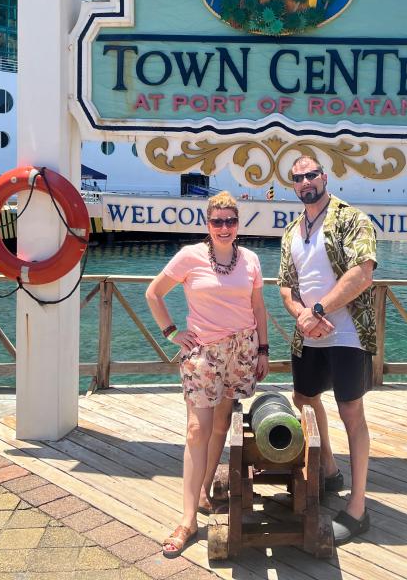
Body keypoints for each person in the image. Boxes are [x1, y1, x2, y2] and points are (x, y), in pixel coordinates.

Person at [145, 191, 269, 558]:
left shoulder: (251, 260)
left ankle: (202, 493)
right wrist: (171, 333)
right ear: (207, 224)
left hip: (242, 349)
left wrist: (263, 349)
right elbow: (154, 294)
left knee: (220, 425)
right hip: (202, 354)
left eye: (231, 221)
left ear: (238, 223)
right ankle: (187, 520)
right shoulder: (190, 257)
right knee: (196, 429)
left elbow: (258, 307)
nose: (225, 227)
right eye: (218, 222)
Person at [277, 155, 377, 545]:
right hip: (309, 334)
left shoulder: (351, 219)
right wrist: (302, 313)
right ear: (294, 186)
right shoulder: (291, 231)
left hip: (348, 333)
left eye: (311, 175)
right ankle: (331, 470)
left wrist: (319, 309)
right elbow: (286, 284)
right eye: (298, 178)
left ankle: (357, 508)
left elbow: (362, 274)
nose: (306, 183)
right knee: (303, 398)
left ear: (324, 176)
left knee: (351, 412)